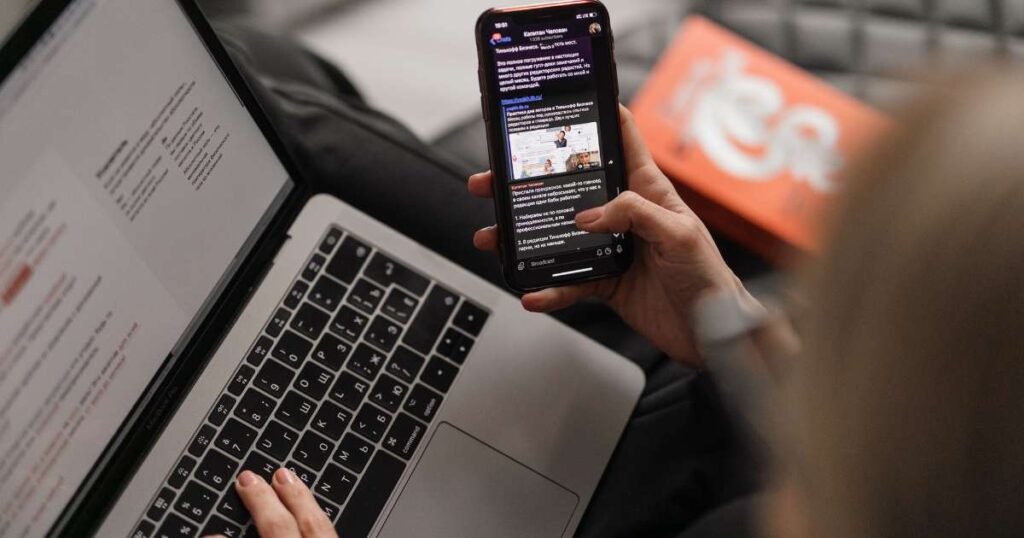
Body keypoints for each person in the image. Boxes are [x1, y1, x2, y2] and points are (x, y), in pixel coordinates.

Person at [208, 24, 1024, 538]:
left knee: (265, 86)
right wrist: (742, 336)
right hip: (688, 407)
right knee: (277, 73)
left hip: (640, 459)